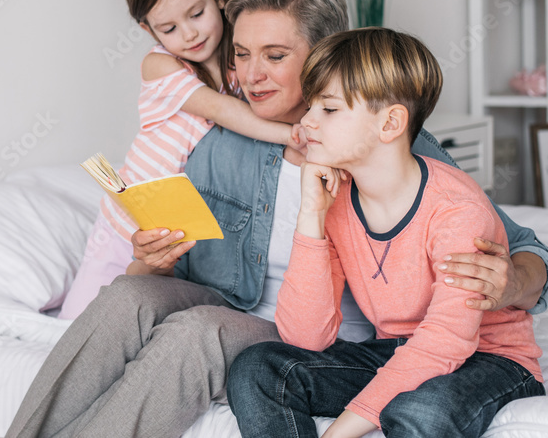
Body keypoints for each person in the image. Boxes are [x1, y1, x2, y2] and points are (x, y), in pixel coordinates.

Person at [6, 0, 548, 438]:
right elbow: (182, 274)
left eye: (275, 55)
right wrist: (150, 262)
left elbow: (522, 249)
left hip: (324, 337)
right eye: (241, 55)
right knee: (127, 294)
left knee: (197, 334)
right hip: (235, 307)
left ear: (324, 55)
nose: (251, 75)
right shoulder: (216, 144)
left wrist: (510, 283)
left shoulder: (389, 144)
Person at [226, 28, 544, 438]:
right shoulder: (336, 200)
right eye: (311, 106)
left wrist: (338, 433)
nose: (305, 121)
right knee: (258, 367)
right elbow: (306, 336)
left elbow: (445, 342)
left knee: (419, 413)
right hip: (397, 350)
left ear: (391, 122)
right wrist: (311, 215)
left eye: (329, 109)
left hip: (490, 359)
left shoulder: (457, 210)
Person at [59, 0, 297, 319]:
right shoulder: (160, 66)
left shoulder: (240, 62)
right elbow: (222, 110)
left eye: (197, 14)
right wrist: (291, 134)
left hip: (180, 227)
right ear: (147, 29)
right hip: (127, 223)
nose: (189, 34)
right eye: (169, 28)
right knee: (80, 326)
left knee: (141, 322)